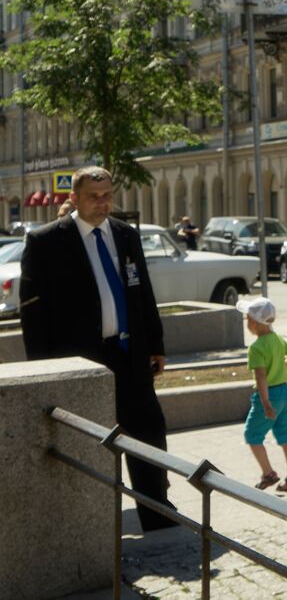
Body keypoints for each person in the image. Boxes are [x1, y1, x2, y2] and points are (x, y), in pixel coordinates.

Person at [19, 166, 178, 531]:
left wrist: (155, 344)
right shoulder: (46, 241)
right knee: (84, 442)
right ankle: (85, 525)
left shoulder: (125, 235)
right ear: (74, 198)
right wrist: (42, 369)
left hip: (129, 354)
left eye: (107, 196)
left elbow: (142, 292)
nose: (102, 203)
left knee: (149, 431)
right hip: (78, 360)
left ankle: (157, 513)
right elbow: (33, 314)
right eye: (93, 197)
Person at [237, 296, 287, 493]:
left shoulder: (256, 348)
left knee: (252, 435)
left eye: (247, 319)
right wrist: (282, 371)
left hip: (268, 395)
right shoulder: (278, 339)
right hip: (285, 392)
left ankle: (268, 473)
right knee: (286, 435)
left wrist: (265, 402)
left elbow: (261, 376)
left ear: (254, 323)